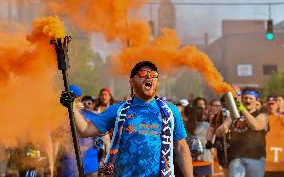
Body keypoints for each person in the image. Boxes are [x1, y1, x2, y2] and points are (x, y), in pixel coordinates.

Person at [60, 61, 193, 177]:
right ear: (131, 81)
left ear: (157, 82)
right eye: (142, 73)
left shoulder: (170, 110)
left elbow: (181, 148)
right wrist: (72, 107)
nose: (149, 76)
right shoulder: (117, 110)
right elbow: (85, 130)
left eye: (153, 74)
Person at [215, 87, 269, 177]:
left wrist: (241, 109)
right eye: (245, 98)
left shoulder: (262, 115)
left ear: (256, 101)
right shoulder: (234, 114)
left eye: (250, 98)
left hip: (256, 158)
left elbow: (256, 126)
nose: (247, 100)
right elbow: (218, 132)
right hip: (236, 158)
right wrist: (222, 129)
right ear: (242, 99)